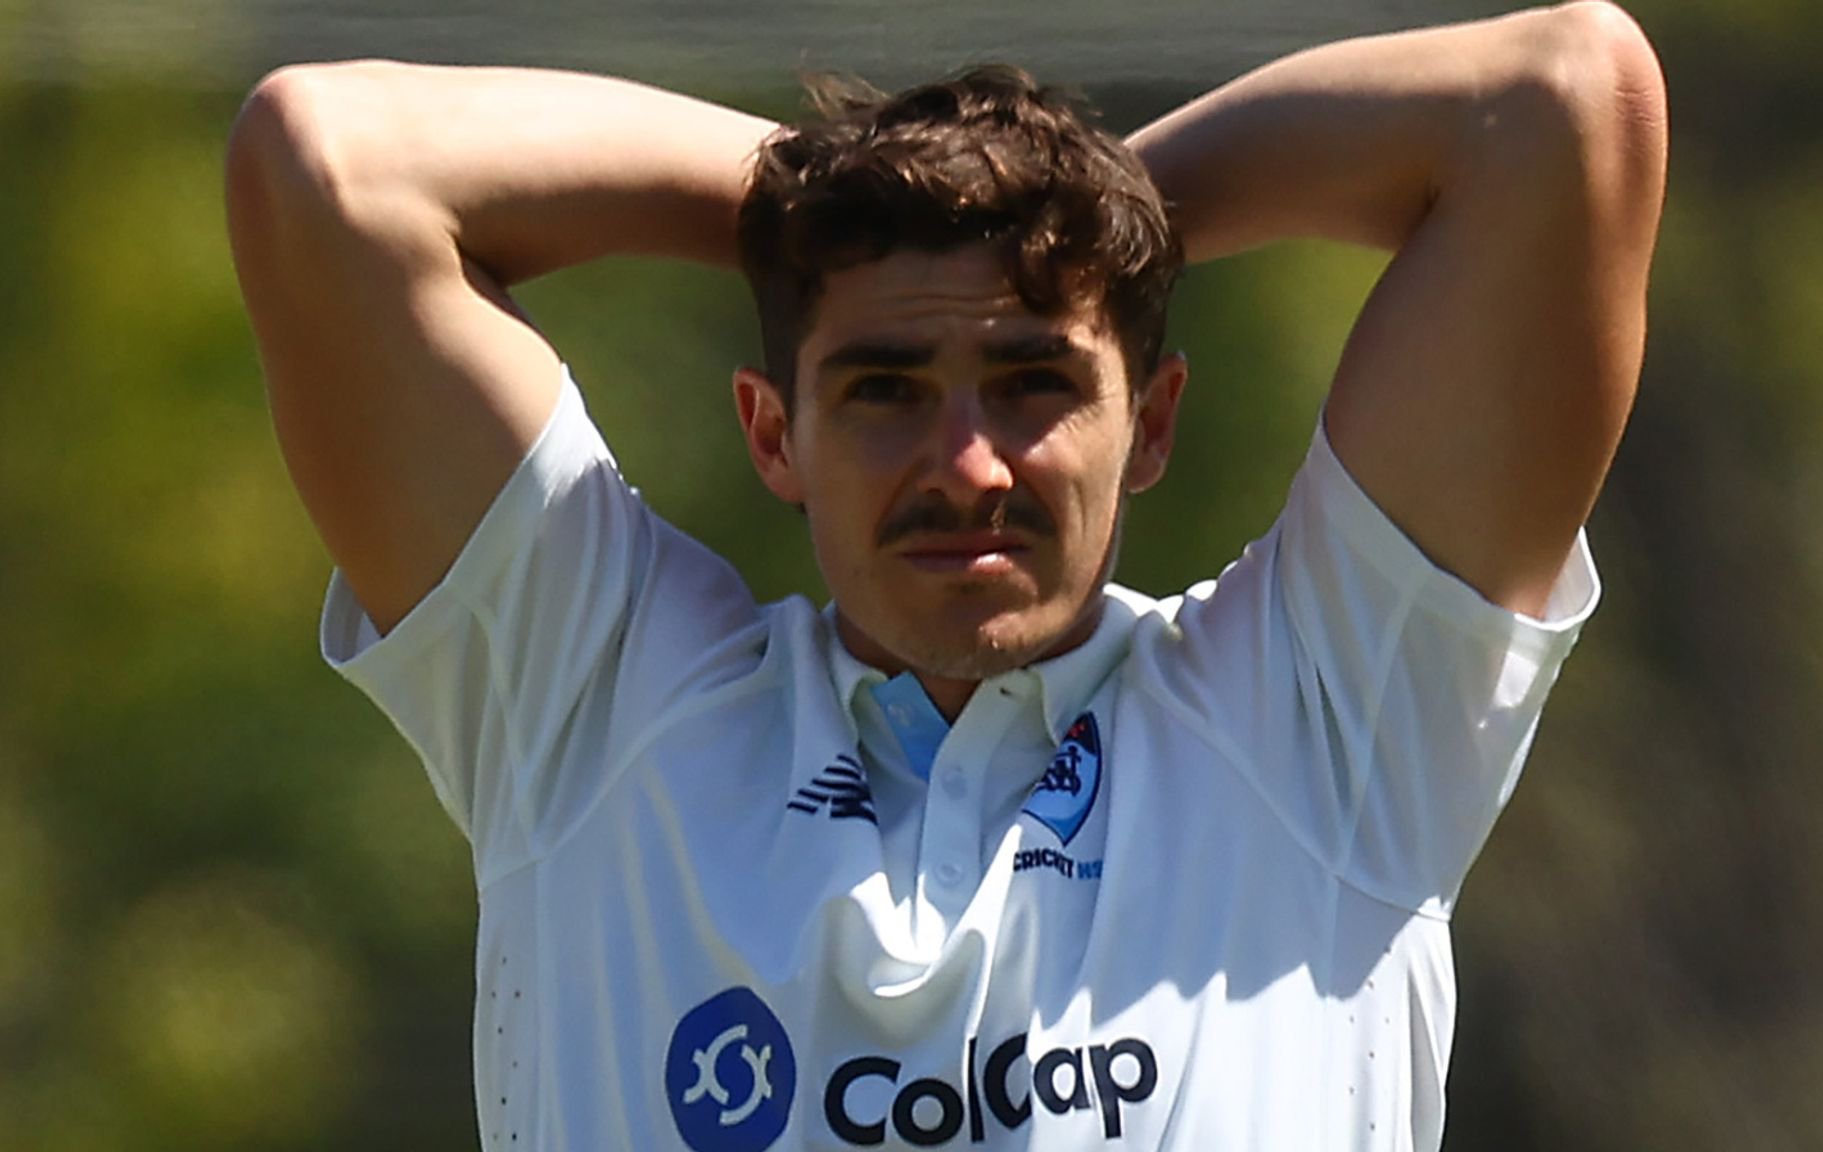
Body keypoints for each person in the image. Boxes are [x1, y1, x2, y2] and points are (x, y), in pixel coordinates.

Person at [224, 3, 1665, 1148]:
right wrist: (847, 198)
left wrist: (1082, 209)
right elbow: (327, 163)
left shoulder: (1325, 722)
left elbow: (1563, 101)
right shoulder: (596, 713)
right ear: (773, 434)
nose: (967, 463)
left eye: (1035, 379)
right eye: (884, 386)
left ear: (1152, 422)